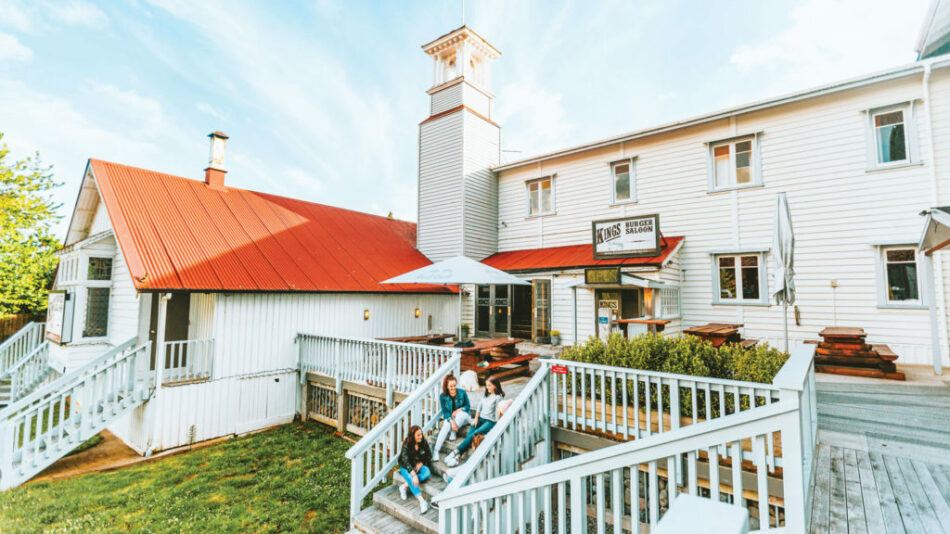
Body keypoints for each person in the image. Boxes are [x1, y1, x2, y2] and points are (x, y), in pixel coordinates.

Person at [443, 375, 505, 467]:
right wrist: (476, 419)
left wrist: (498, 423)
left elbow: (498, 412)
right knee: (470, 435)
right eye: (486, 385)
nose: (487, 387)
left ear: (495, 386)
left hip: (490, 421)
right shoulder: (486, 395)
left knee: (474, 434)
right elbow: (479, 406)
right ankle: (458, 456)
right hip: (480, 419)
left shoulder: (498, 397)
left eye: (489, 385)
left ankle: (455, 452)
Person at [432, 374, 472, 462]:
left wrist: (458, 410)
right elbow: (445, 412)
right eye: (451, 386)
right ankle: (436, 451)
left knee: (460, 415)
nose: (453, 388)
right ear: (446, 386)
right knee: (446, 425)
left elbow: (468, 406)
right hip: (452, 419)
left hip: (465, 417)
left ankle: (453, 432)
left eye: (454, 385)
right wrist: (452, 422)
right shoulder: (442, 396)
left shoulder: (462, 392)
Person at [397, 425, 433, 513]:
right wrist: (414, 475)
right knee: (411, 478)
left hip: (417, 465)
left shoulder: (423, 442)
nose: (421, 436)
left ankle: (404, 486)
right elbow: (405, 461)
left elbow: (429, 455)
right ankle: (422, 501)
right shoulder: (406, 444)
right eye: (418, 435)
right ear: (413, 436)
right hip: (406, 467)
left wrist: (421, 463)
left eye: (421, 434)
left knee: (427, 472)